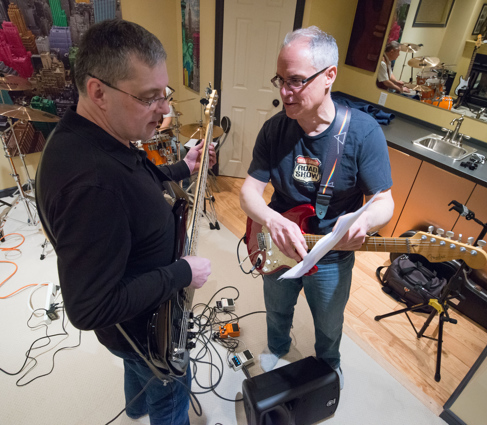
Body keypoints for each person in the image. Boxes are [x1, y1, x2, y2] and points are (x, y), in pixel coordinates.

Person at [35, 19, 215, 425]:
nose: (166, 109)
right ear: (98, 92)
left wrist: (179, 168)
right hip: (145, 334)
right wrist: (180, 273)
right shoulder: (92, 186)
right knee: (167, 390)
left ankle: (135, 408)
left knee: (136, 375)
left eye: (164, 93)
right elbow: (89, 307)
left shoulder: (91, 136)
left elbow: (134, 179)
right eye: (150, 97)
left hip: (132, 334)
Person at [239, 26, 394, 389]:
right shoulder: (274, 129)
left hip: (331, 252)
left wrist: (367, 220)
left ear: (329, 77)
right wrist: (272, 219)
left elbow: (383, 200)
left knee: (328, 320)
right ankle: (278, 345)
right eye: (280, 79)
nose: (283, 92)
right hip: (278, 241)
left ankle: (329, 364)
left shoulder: (364, 133)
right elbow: (248, 192)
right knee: (277, 308)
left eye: (295, 81)